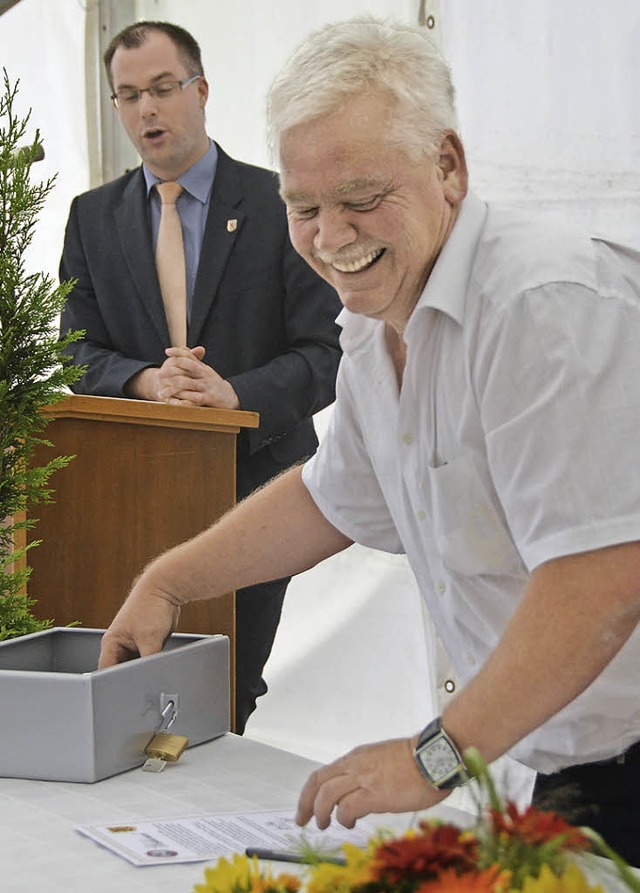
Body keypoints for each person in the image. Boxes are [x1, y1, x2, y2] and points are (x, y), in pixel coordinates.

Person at [98, 17, 640, 864]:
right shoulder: (377, 322)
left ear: (449, 167)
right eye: (304, 208)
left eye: (360, 197)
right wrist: (171, 581)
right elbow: (334, 494)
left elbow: (602, 578)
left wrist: (435, 755)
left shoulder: (542, 304)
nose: (331, 237)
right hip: (566, 758)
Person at [58, 20, 342, 734]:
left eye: (161, 89)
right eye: (128, 97)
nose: (146, 110)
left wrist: (233, 394)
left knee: (223, 700)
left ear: (201, 90)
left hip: (254, 493)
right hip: (130, 498)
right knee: (132, 706)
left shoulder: (282, 204)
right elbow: (73, 352)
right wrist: (147, 383)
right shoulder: (91, 217)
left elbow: (327, 351)